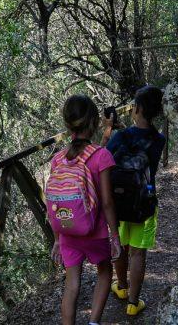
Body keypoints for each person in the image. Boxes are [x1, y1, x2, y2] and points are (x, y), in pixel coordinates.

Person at [49, 95, 122, 325]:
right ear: (94, 122)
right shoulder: (101, 156)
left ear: (67, 123)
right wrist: (115, 236)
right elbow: (108, 202)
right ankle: (93, 322)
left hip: (68, 232)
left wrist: (57, 239)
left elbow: (55, 202)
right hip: (95, 232)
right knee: (105, 272)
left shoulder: (58, 160)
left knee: (71, 285)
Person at [102, 85, 166, 316]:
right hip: (144, 203)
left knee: (121, 245)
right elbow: (142, 141)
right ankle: (133, 303)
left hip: (119, 202)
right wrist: (123, 130)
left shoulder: (121, 137)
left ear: (136, 108)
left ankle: (121, 287)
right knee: (138, 253)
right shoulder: (159, 139)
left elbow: (103, 155)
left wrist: (109, 129)